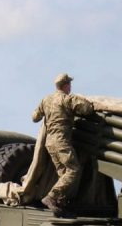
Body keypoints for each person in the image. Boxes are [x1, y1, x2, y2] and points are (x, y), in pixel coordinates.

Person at [31, 73, 95, 213]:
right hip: (61, 141)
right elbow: (88, 109)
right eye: (69, 84)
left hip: (49, 143)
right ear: (66, 85)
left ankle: (60, 202)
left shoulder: (46, 100)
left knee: (63, 173)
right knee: (73, 170)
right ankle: (52, 196)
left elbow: (35, 117)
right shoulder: (67, 99)